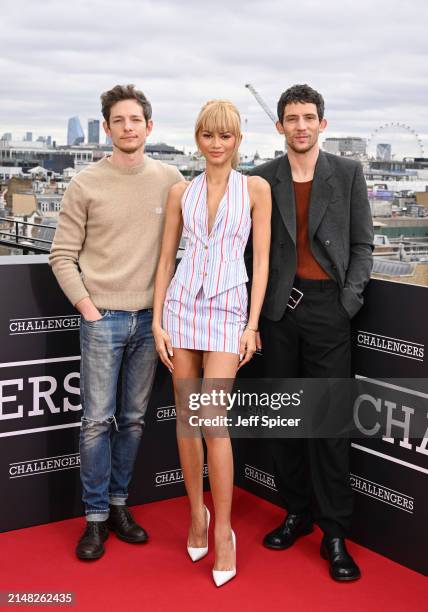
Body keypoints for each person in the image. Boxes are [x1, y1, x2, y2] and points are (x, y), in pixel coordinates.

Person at [49, 84, 183, 560]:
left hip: (152, 322)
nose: (128, 128)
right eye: (119, 121)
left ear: (150, 126)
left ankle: (120, 505)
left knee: (131, 421)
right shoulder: (85, 183)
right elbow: (61, 256)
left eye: (136, 120)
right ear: (106, 129)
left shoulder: (171, 180)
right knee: (95, 423)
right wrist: (90, 309)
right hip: (102, 319)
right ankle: (95, 519)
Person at [247, 84, 373, 581]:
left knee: (327, 426)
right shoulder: (259, 179)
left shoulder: (347, 173)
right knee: (284, 424)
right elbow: (245, 250)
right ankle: (296, 512)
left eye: (308, 117)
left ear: (323, 123)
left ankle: (335, 532)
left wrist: (346, 303)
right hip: (278, 312)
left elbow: (363, 246)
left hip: (328, 311)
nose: (300, 125)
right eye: (291, 118)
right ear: (278, 126)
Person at [152, 100, 271, 586]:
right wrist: (160, 322)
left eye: (226, 136)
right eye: (208, 135)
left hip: (226, 312)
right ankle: (196, 514)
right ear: (198, 139)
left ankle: (223, 530)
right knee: (187, 418)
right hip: (182, 308)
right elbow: (165, 262)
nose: (217, 144)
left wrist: (251, 323)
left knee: (212, 420)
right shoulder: (182, 190)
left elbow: (260, 261)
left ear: (238, 139)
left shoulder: (255, 189)